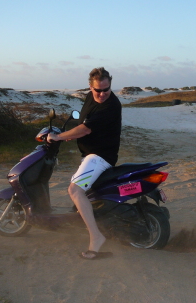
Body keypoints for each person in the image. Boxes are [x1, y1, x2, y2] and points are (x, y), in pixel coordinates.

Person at [48, 67, 121, 260]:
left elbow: (86, 129)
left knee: (74, 190)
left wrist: (58, 137)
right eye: (98, 90)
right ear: (90, 87)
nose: (103, 94)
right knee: (86, 193)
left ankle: (96, 237)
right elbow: (83, 123)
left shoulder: (111, 105)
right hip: (90, 154)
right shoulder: (91, 98)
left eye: (107, 89)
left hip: (99, 157)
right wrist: (72, 135)